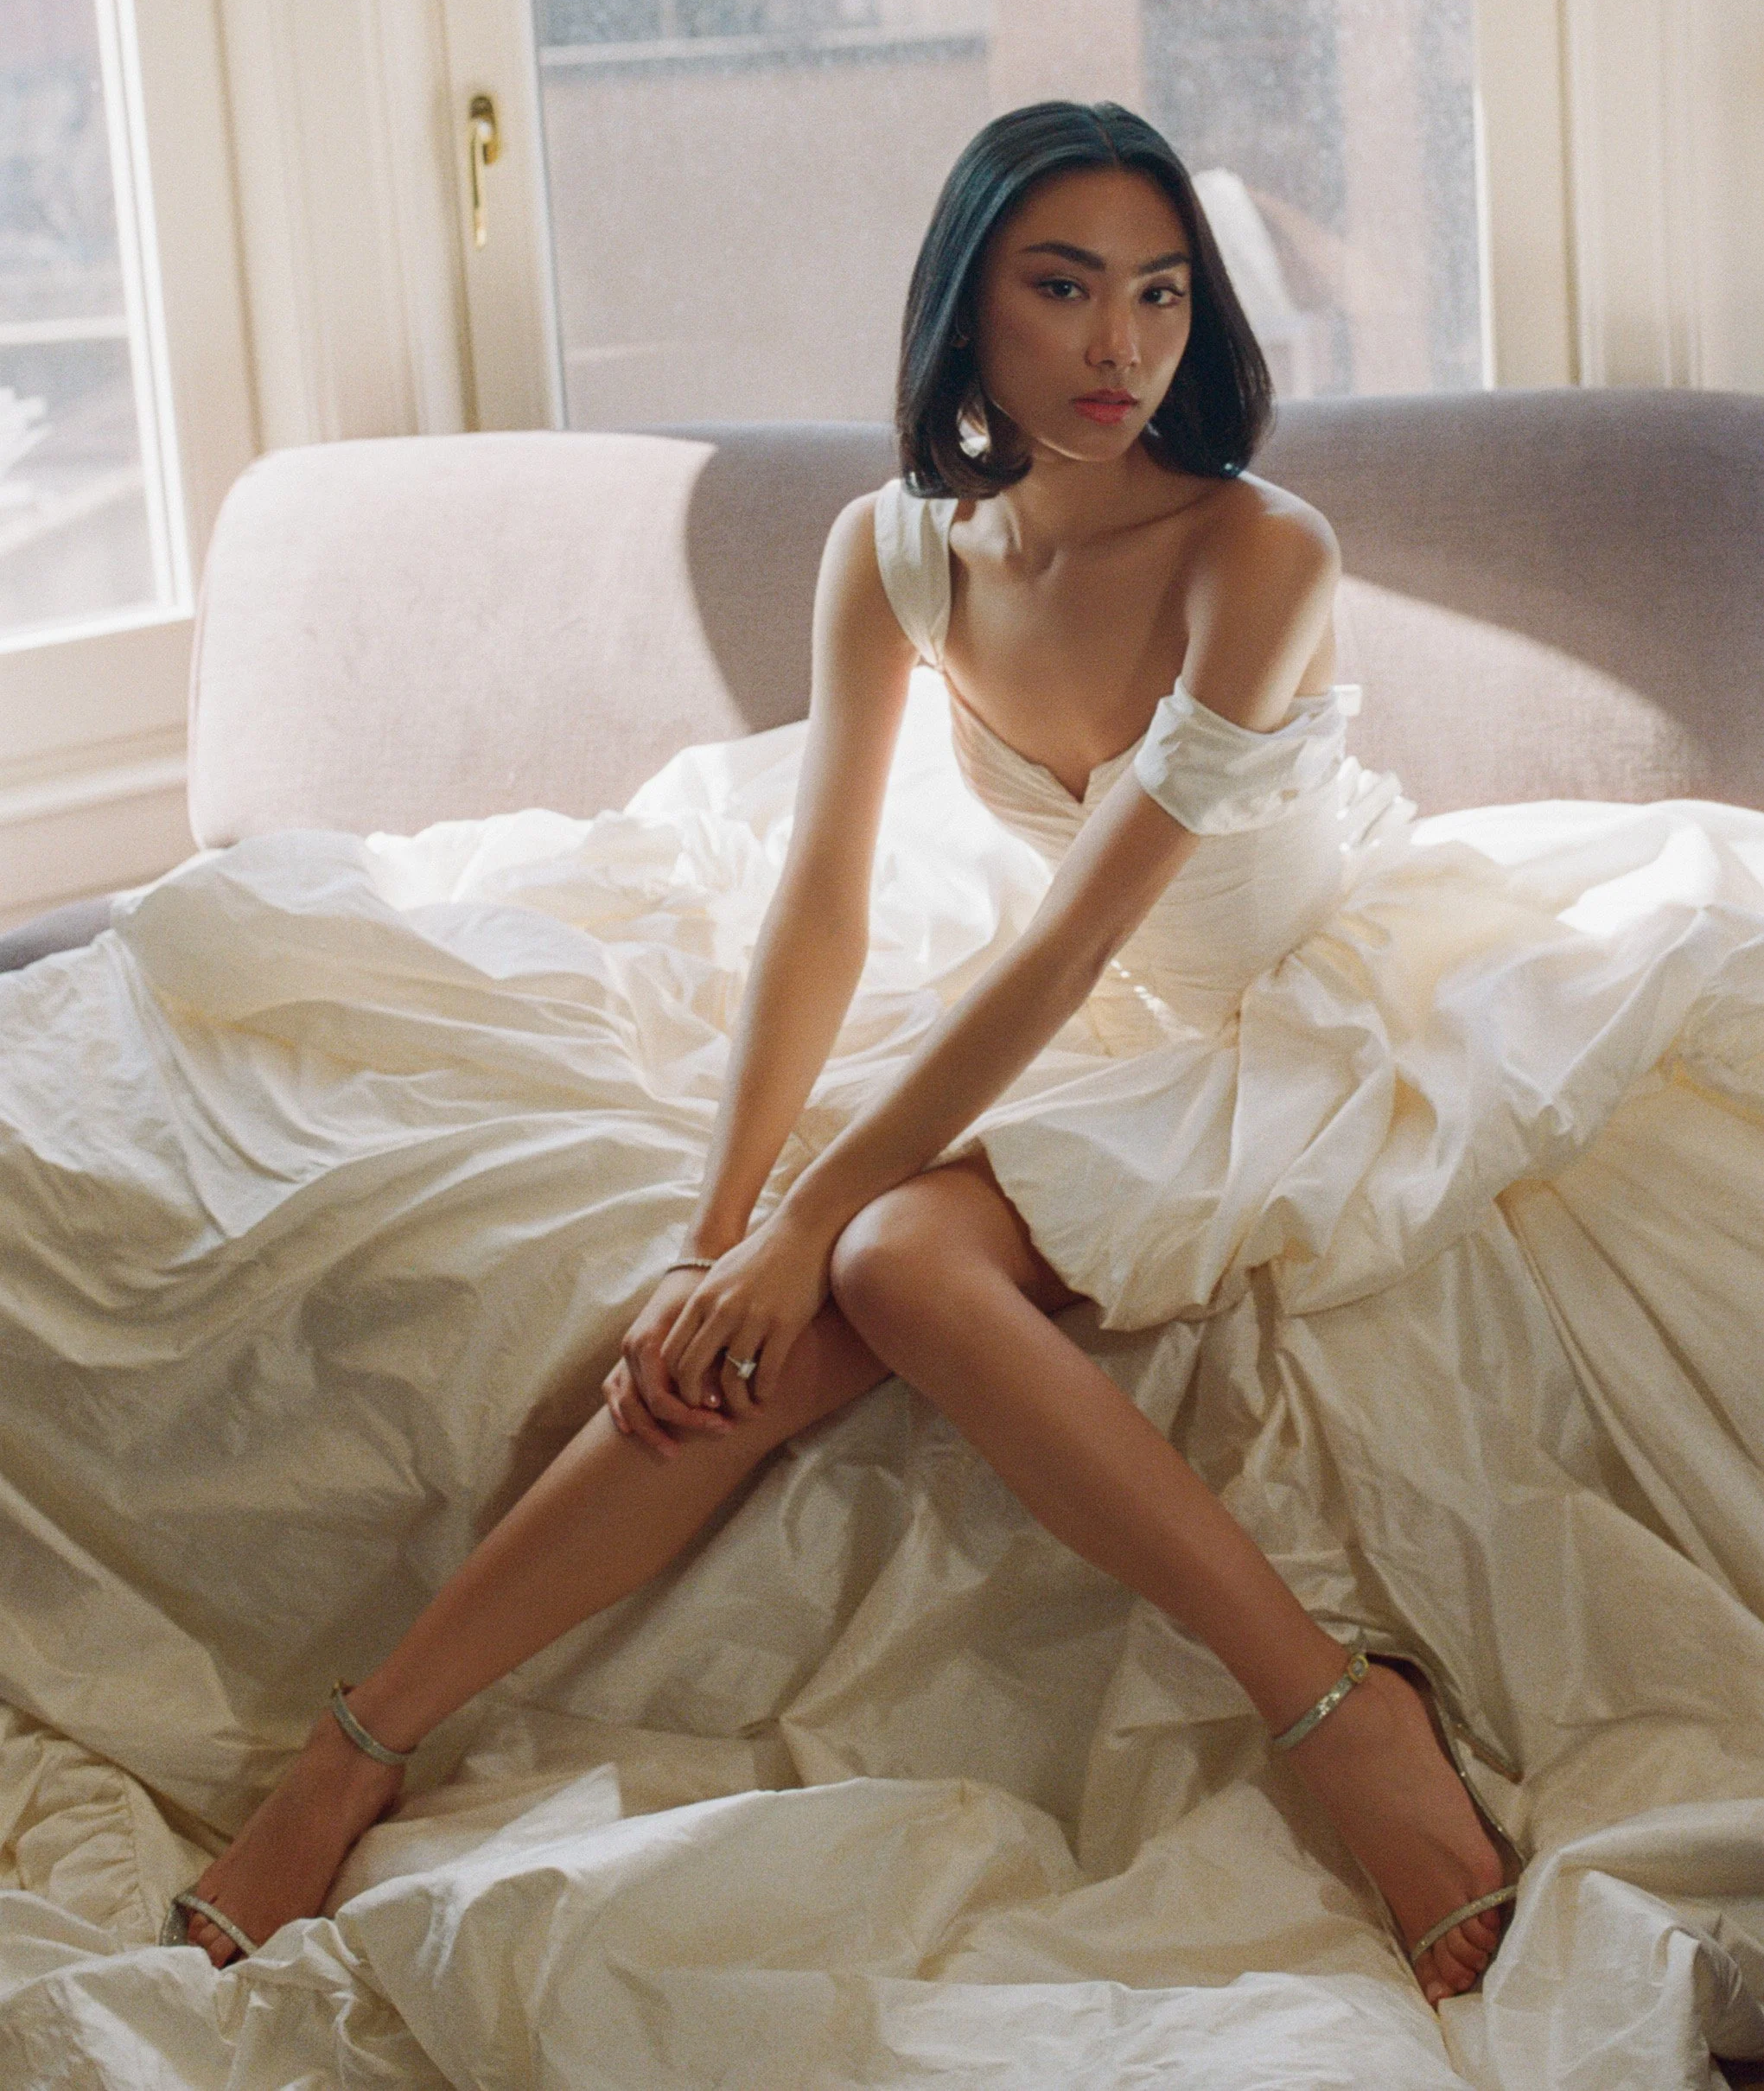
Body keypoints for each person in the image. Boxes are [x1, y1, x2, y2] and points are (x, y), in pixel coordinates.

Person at [163, 100, 1518, 2006]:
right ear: (966, 312)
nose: (1119, 348)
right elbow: (823, 903)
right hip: (1081, 1036)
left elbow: (1076, 935)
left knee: (876, 1253)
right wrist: (713, 1238)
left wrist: (815, 1212)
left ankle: (1336, 1711)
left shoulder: (1258, 551)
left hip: (1292, 1018)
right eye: (1062, 291)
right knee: (761, 1320)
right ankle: (351, 1755)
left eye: (1157, 292)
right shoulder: (895, 554)